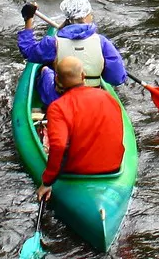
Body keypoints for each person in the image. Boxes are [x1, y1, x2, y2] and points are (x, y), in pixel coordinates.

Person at [37, 55, 126, 202]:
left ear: (57, 80)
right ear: (83, 76)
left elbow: (58, 146)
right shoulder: (108, 97)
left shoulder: (58, 107)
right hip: (113, 168)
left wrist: (47, 182)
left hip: (77, 171)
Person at [18, 0, 130, 107]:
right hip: (93, 99)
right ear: (86, 17)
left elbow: (28, 51)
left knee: (45, 69)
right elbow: (117, 78)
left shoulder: (53, 43)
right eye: (90, 14)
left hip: (60, 100)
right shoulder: (102, 42)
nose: (91, 16)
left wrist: (29, 19)